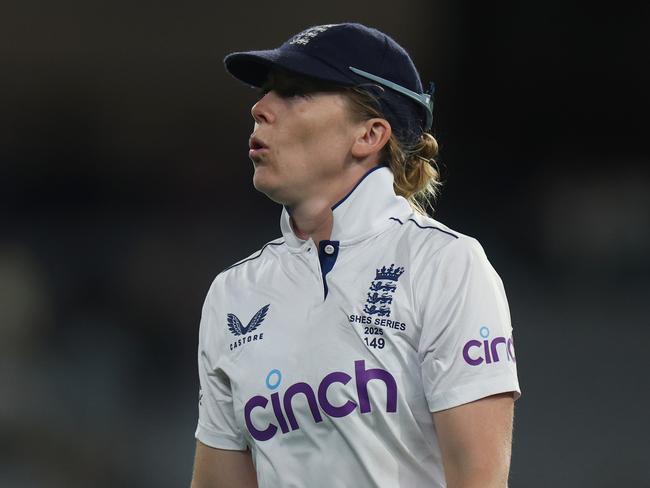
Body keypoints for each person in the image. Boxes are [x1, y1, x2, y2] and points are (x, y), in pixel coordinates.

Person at [190, 22, 521, 488]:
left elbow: (478, 481)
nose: (260, 108)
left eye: (296, 92)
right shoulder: (233, 294)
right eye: (267, 94)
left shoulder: (445, 264)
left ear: (369, 135)